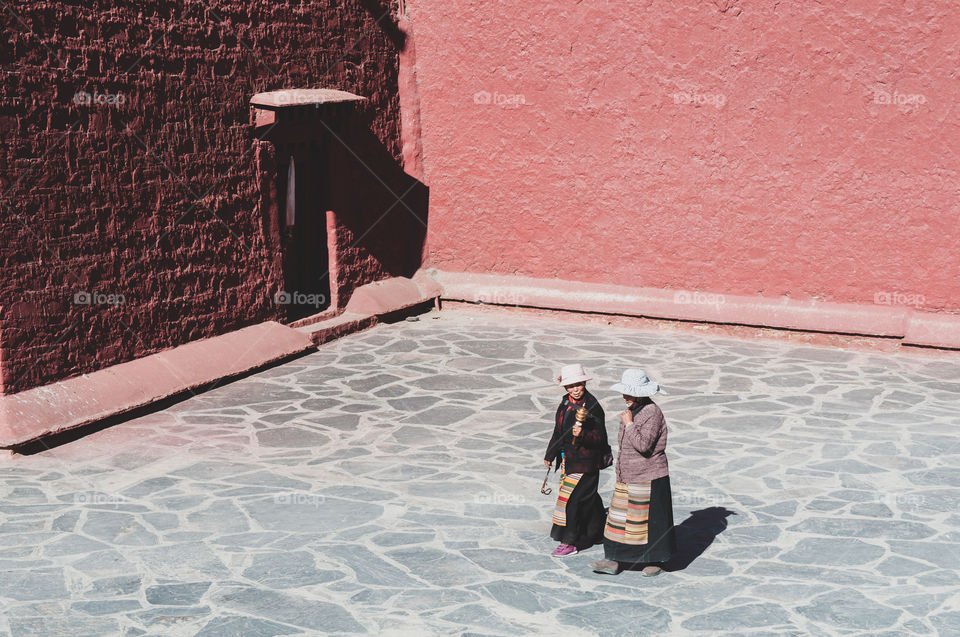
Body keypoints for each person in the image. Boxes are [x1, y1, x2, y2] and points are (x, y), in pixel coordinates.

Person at [590, 369, 677, 576]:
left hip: (649, 476)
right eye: (625, 393)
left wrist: (628, 424)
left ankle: (654, 560)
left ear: (640, 394)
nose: (625, 397)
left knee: (649, 523)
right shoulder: (633, 409)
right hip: (627, 475)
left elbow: (644, 445)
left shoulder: (652, 413)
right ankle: (612, 559)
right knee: (619, 519)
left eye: (629, 394)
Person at [544, 363, 610, 556]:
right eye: (571, 386)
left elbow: (600, 438)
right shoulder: (566, 403)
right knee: (589, 497)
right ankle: (597, 532)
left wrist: (582, 435)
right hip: (569, 460)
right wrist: (550, 453)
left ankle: (570, 542)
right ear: (565, 387)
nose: (575, 389)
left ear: (584, 383)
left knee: (573, 501)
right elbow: (558, 431)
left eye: (578, 384)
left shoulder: (592, 406)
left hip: (586, 462)